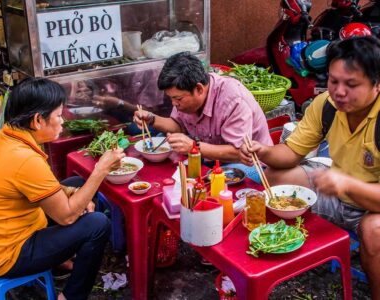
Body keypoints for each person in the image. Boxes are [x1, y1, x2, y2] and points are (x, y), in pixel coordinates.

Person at [240, 36, 380, 299]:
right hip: (338, 192)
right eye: (333, 80)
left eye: (351, 84)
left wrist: (348, 184)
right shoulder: (327, 105)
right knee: (275, 177)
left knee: (374, 231)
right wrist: (265, 151)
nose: (339, 91)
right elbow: (291, 153)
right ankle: (290, 249)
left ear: (377, 84)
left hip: (371, 207)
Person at [0, 77, 125, 300]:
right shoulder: (25, 160)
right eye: (58, 116)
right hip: (9, 253)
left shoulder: (2, 136)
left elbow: (29, 188)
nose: (62, 122)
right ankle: (70, 296)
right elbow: (66, 217)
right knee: (97, 225)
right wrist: (101, 170)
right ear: (38, 120)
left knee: (77, 185)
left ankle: (57, 263)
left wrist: (75, 193)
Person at [133, 51, 272, 163]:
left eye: (178, 98)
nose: (174, 103)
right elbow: (178, 126)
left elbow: (238, 152)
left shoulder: (233, 100)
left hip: (247, 165)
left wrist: (193, 146)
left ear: (199, 89)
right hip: (209, 158)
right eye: (171, 98)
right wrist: (151, 119)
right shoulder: (185, 97)